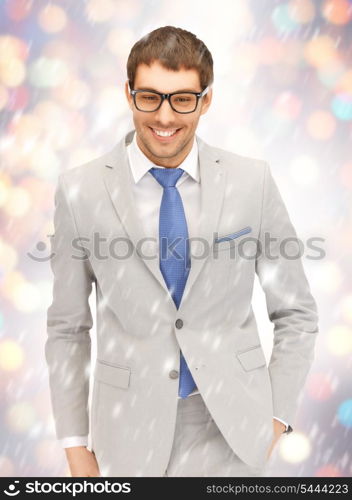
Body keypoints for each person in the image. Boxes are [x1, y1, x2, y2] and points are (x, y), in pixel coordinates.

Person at [45, 26, 319, 477]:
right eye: (150, 97)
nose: (165, 117)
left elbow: (297, 313)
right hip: (125, 433)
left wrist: (274, 419)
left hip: (234, 430)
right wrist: (75, 446)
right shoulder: (80, 191)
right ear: (128, 94)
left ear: (206, 100)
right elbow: (67, 328)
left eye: (183, 99)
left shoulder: (253, 182)